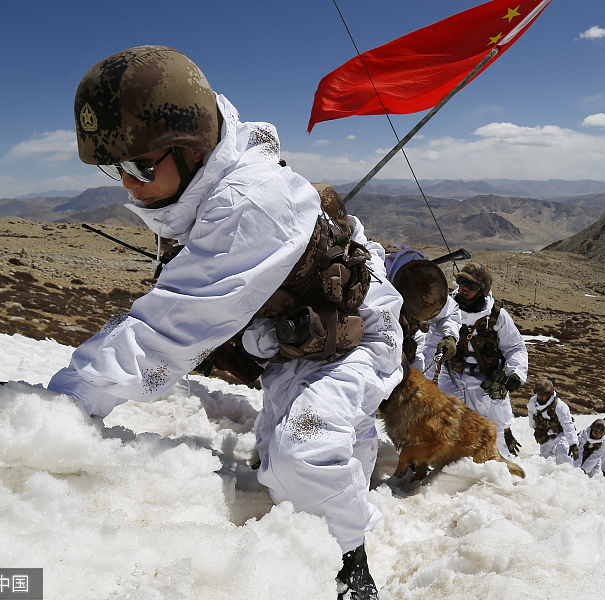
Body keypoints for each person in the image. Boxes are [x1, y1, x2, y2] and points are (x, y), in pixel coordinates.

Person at [48, 46, 402, 599]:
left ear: (192, 148)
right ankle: (346, 479)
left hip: (355, 335)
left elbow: (164, 334)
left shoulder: (250, 203)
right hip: (296, 338)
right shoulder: (203, 184)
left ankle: (350, 561)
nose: (126, 184)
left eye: (139, 166)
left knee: (299, 453)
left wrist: (62, 402)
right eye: (113, 168)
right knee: (314, 438)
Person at [438, 262, 528, 457]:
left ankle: (500, 478)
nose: (464, 288)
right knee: (452, 428)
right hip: (453, 375)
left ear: (483, 291)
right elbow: (430, 347)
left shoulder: (497, 317)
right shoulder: (445, 311)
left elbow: (515, 348)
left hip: (487, 380)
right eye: (461, 281)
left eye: (471, 285)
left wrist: (515, 373)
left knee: (495, 435)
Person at [384, 246, 461, 375]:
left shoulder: (426, 289)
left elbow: (449, 312)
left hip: (411, 351)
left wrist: (449, 336)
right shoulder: (376, 293)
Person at [527, 378, 578, 465]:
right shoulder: (533, 402)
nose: (540, 396)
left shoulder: (561, 406)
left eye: (543, 394)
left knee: (563, 454)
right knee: (544, 459)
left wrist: (573, 444)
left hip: (561, 434)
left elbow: (568, 425)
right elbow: (531, 416)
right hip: (545, 434)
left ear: (550, 394)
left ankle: (566, 473)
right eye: (538, 393)